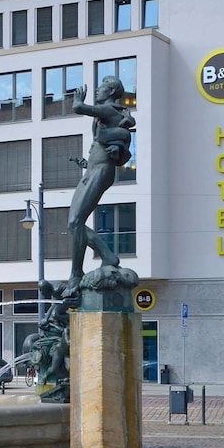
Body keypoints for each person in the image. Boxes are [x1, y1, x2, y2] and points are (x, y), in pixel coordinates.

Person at [64, 76, 135, 296]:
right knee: (73, 223)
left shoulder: (109, 110)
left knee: (75, 222)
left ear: (111, 91)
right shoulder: (109, 116)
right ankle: (106, 256)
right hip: (93, 170)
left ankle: (76, 273)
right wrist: (86, 164)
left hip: (101, 171)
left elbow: (79, 108)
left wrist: (78, 100)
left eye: (102, 86)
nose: (97, 89)